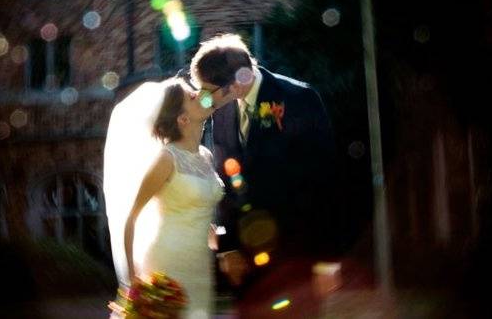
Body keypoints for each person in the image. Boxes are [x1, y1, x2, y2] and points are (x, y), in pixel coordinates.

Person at [189, 34, 337, 313]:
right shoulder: (221, 114)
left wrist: (326, 259)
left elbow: (324, 183)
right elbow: (227, 183)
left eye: (208, 93)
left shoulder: (298, 98)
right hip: (246, 269)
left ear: (238, 81)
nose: (205, 102)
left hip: (296, 258)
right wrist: (228, 247)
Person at [104, 78, 224, 318]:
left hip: (200, 264)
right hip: (167, 263)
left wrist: (215, 236)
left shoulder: (206, 157)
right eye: (192, 96)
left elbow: (194, 207)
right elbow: (131, 217)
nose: (200, 94)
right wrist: (133, 280)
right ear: (182, 119)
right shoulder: (166, 159)